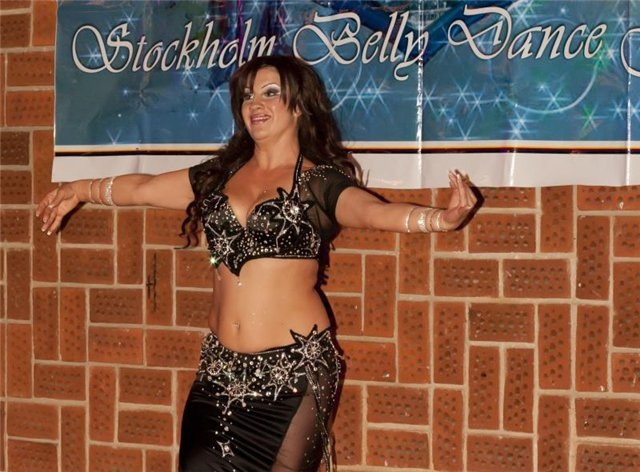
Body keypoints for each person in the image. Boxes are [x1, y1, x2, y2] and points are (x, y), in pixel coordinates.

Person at [36, 55, 477, 471]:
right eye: (247, 95)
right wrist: (78, 189)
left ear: (299, 106)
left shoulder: (318, 182)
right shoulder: (220, 176)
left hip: (294, 374)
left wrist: (438, 219)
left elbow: (372, 212)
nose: (255, 104)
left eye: (270, 93)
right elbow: (143, 188)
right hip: (218, 371)